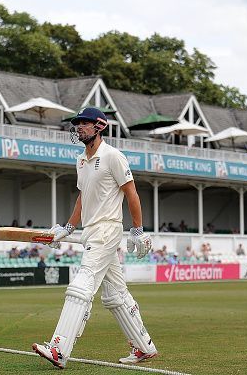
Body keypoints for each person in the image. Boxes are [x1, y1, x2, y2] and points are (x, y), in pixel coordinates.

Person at [32, 107, 157, 368]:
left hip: (107, 229)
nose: (79, 128)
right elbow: (82, 196)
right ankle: (144, 346)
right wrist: (68, 227)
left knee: (81, 284)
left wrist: (137, 230)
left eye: (84, 124)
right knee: (115, 295)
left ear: (99, 127)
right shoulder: (81, 160)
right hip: (91, 230)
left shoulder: (113, 156)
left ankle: (59, 349)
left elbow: (131, 193)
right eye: (77, 124)